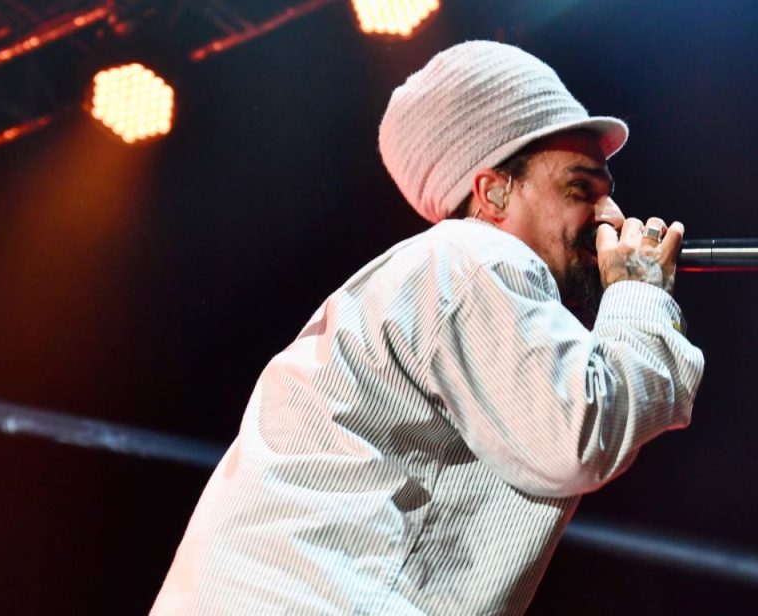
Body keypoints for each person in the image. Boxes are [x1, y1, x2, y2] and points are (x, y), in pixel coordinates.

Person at [152, 40, 705, 615]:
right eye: (580, 188)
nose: (611, 216)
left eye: (608, 193)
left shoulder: (423, 276)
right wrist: (640, 293)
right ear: (493, 193)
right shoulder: (474, 257)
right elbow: (580, 434)